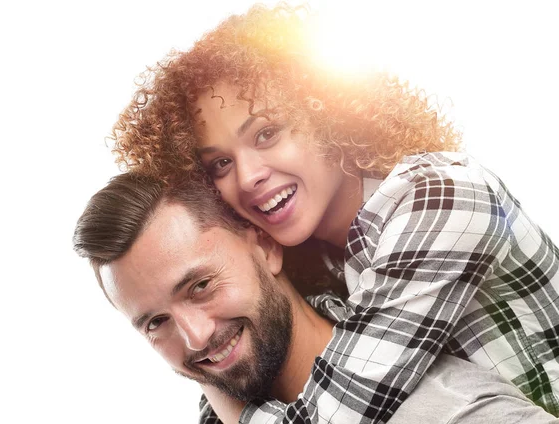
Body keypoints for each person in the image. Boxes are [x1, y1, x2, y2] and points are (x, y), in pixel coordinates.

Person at [108, 3, 559, 422]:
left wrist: (228, 399)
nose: (247, 177)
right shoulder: (314, 257)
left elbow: (337, 412)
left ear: (330, 117)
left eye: (267, 134)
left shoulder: (439, 197)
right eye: (220, 163)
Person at [73, 173, 558, 424]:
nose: (195, 335)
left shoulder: (449, 411)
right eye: (155, 322)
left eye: (200, 286)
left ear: (264, 246)